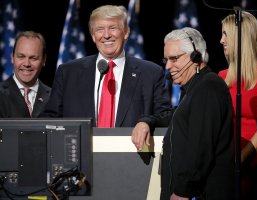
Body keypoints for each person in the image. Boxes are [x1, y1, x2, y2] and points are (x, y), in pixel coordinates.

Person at [41, 4, 171, 134]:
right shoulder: (68, 73)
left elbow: (165, 116)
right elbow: (51, 118)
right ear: (93, 36)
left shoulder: (150, 73)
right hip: (81, 151)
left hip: (129, 152)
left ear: (126, 32)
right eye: (99, 29)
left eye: (113, 28)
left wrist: (147, 121)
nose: (107, 35)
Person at [160, 27, 234, 200]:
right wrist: (147, 121)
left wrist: (182, 191)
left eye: (174, 59)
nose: (168, 66)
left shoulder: (208, 88)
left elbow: (200, 148)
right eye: (166, 59)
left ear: (195, 56)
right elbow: (176, 118)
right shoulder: (193, 88)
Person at [218, 12, 257, 200]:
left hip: (255, 164)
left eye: (225, 34)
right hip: (226, 164)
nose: (221, 41)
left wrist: (241, 159)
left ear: (241, 38)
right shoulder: (222, 76)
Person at [0, 31, 51, 118]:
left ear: (44, 60)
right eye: (21, 56)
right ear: (12, 57)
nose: (27, 64)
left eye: (33, 58)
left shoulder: (53, 97)